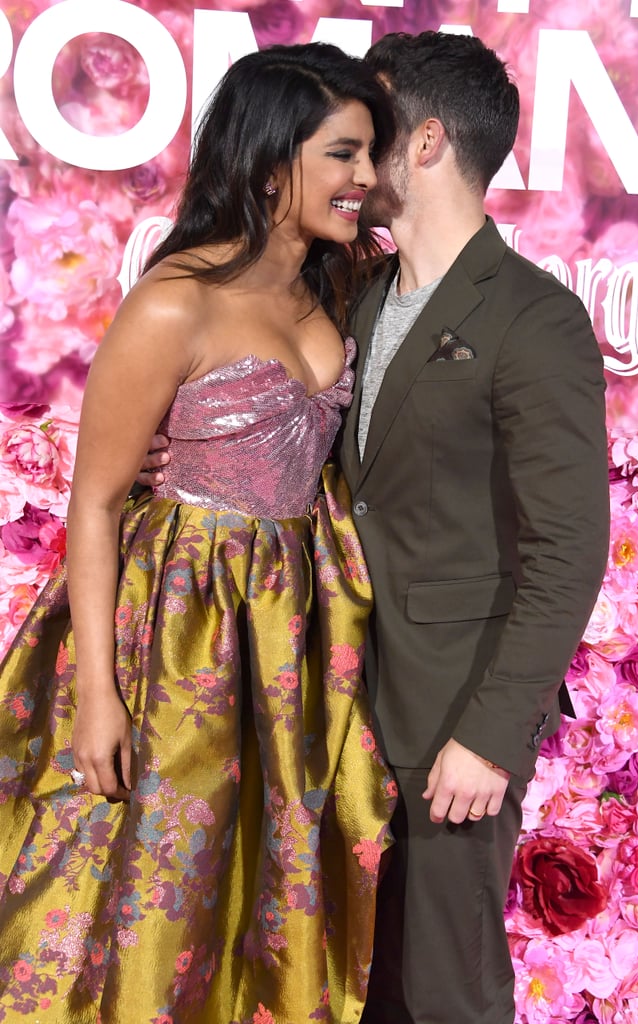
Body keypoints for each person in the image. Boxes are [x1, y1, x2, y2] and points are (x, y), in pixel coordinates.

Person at [139, 30, 610, 1024]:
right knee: (342, 981)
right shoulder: (353, 293)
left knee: (441, 988)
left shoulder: (534, 319)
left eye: (367, 136)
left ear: (425, 141)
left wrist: (487, 736)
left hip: (449, 712)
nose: (347, 158)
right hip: (324, 699)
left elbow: (567, 548)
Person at [0, 43, 397, 1023]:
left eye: (370, 156)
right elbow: (94, 504)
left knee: (253, 890)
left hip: (288, 638)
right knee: (152, 887)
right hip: (178, 631)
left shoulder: (335, 289)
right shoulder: (174, 300)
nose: (364, 179)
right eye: (343, 155)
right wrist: (98, 697)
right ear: (270, 164)